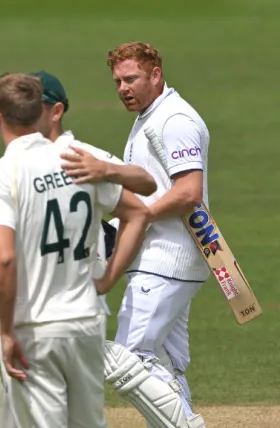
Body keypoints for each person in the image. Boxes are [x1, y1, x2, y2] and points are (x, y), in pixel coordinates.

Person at [0, 73, 150, 428]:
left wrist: (109, 277)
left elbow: (1, 257)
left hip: (39, 321)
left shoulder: (77, 158)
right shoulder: (63, 162)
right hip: (81, 317)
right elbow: (141, 208)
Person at [101, 41, 211, 428]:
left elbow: (188, 192)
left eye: (131, 79)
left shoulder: (173, 119)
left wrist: (137, 217)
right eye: (117, 81)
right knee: (165, 361)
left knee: (129, 359)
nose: (123, 89)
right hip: (167, 258)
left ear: (155, 75)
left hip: (167, 258)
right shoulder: (152, 115)